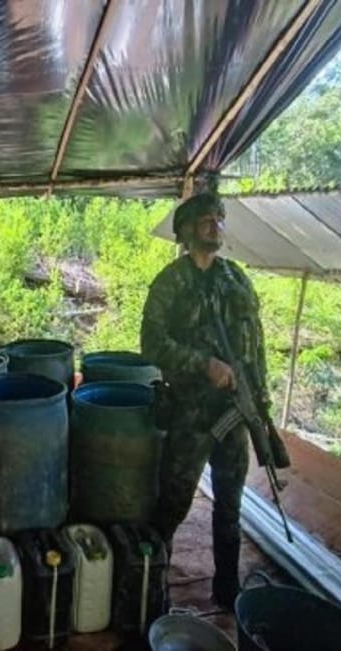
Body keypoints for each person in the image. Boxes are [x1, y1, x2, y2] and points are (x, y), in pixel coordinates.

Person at [140, 192, 269, 610]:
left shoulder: (235, 279)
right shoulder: (169, 282)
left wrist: (259, 396)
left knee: (230, 508)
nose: (216, 226)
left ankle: (228, 595)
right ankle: (151, 594)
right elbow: (151, 344)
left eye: (219, 219)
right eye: (206, 220)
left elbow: (256, 340)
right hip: (191, 414)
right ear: (186, 231)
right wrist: (201, 364)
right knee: (172, 506)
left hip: (234, 409)